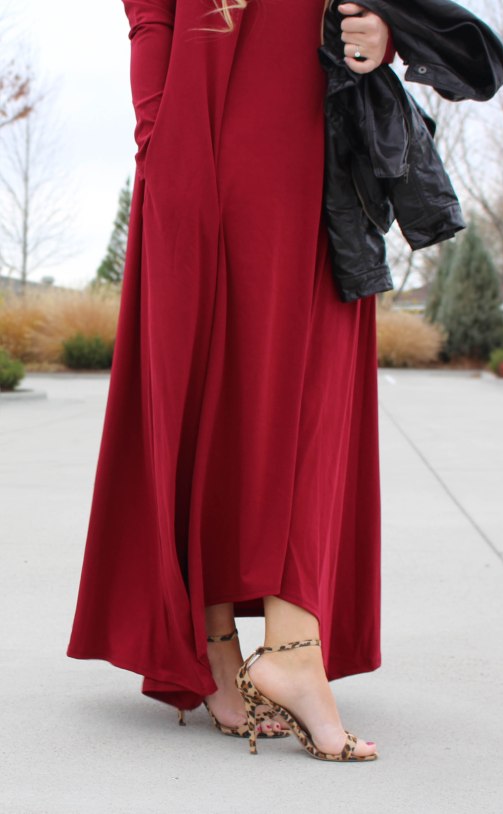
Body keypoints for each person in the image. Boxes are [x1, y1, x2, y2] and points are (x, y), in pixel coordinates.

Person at [67, 0, 395, 762]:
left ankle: (293, 644)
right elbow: (151, 14)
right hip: (203, 127)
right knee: (211, 377)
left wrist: (385, 31)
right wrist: (159, 136)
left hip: (324, 134)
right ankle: (220, 647)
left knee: (313, 386)